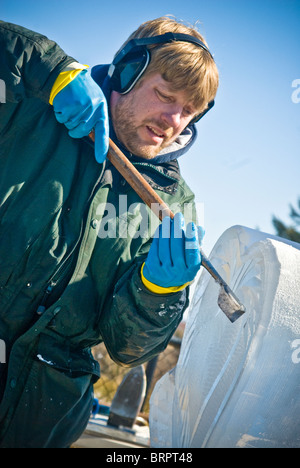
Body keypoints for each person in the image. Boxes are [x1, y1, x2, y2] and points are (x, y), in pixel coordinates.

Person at [0, 16, 219, 447]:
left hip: (40, 418)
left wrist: (157, 292)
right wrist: (50, 69)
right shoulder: (33, 107)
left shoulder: (175, 207)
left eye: (189, 111)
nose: (173, 119)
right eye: (165, 95)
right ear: (126, 71)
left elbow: (127, 348)